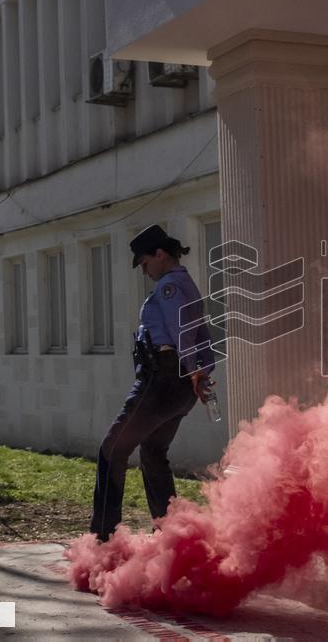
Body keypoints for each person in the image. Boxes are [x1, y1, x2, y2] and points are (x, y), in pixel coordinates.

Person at [90, 224, 215, 541]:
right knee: (153, 452)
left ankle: (103, 538)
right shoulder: (187, 284)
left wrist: (194, 371)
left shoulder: (169, 286)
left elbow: (181, 332)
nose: (144, 271)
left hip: (161, 381)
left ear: (160, 254)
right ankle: (170, 536)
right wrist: (200, 372)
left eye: (145, 263)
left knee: (112, 449)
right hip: (178, 386)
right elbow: (201, 333)